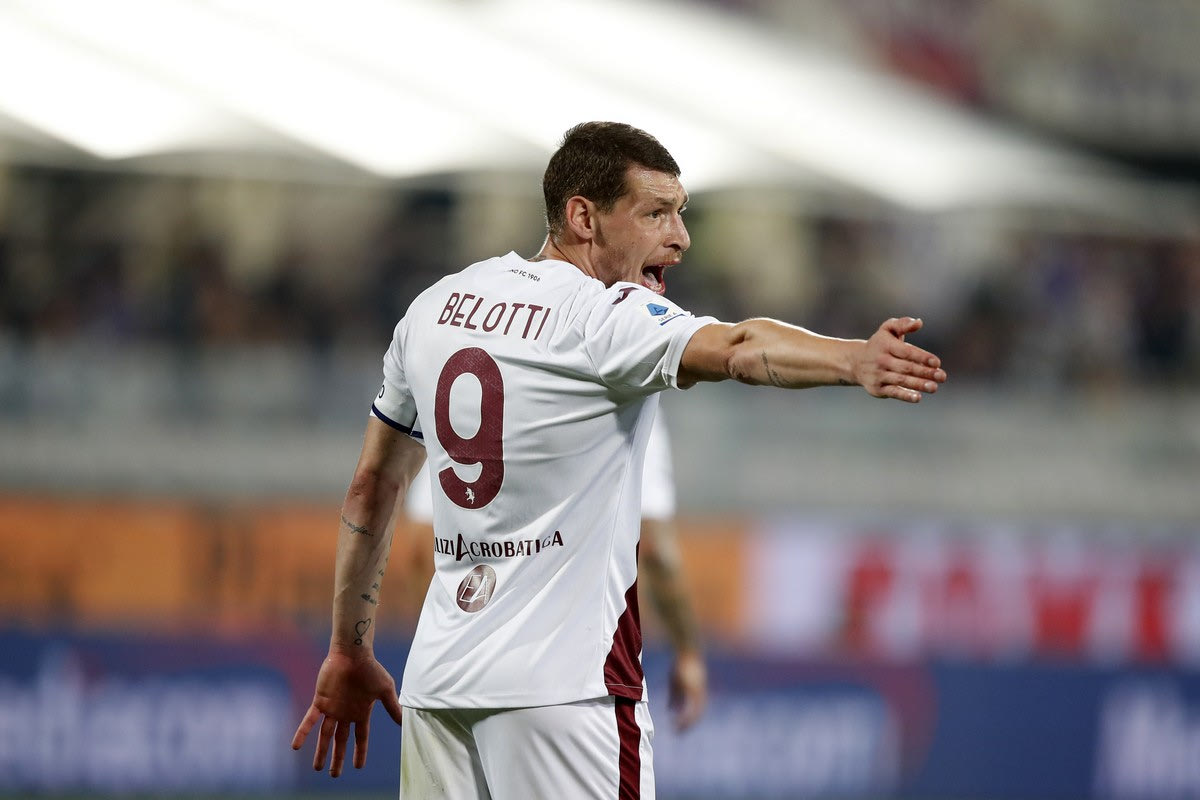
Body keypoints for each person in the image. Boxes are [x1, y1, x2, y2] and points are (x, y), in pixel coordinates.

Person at [292, 121, 947, 799]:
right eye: (655, 213)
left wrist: (348, 648)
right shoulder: (603, 316)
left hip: (439, 688)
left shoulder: (434, 309)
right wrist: (852, 359)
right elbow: (739, 348)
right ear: (584, 217)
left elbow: (373, 487)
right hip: (566, 693)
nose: (681, 238)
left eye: (680, 213)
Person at [403, 411, 709, 733]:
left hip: (448, 675)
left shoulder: (467, 393)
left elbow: (420, 551)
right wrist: (687, 653)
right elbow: (656, 551)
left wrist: (448, 651)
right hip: (564, 680)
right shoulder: (629, 400)